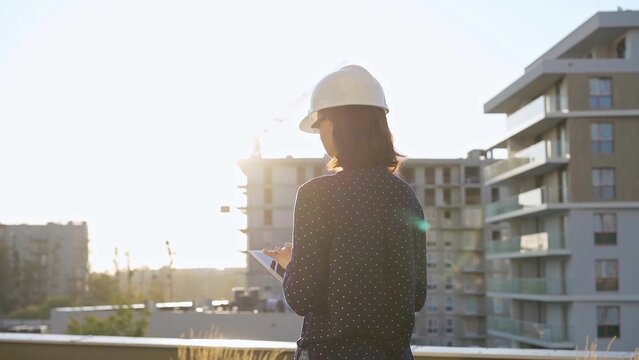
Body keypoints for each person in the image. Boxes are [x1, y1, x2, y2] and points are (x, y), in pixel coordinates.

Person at [264, 65, 426, 360]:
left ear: (338, 124)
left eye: (319, 124)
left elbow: (302, 296)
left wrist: (290, 265)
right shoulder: (404, 196)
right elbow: (416, 294)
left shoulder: (317, 195)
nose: (319, 133)